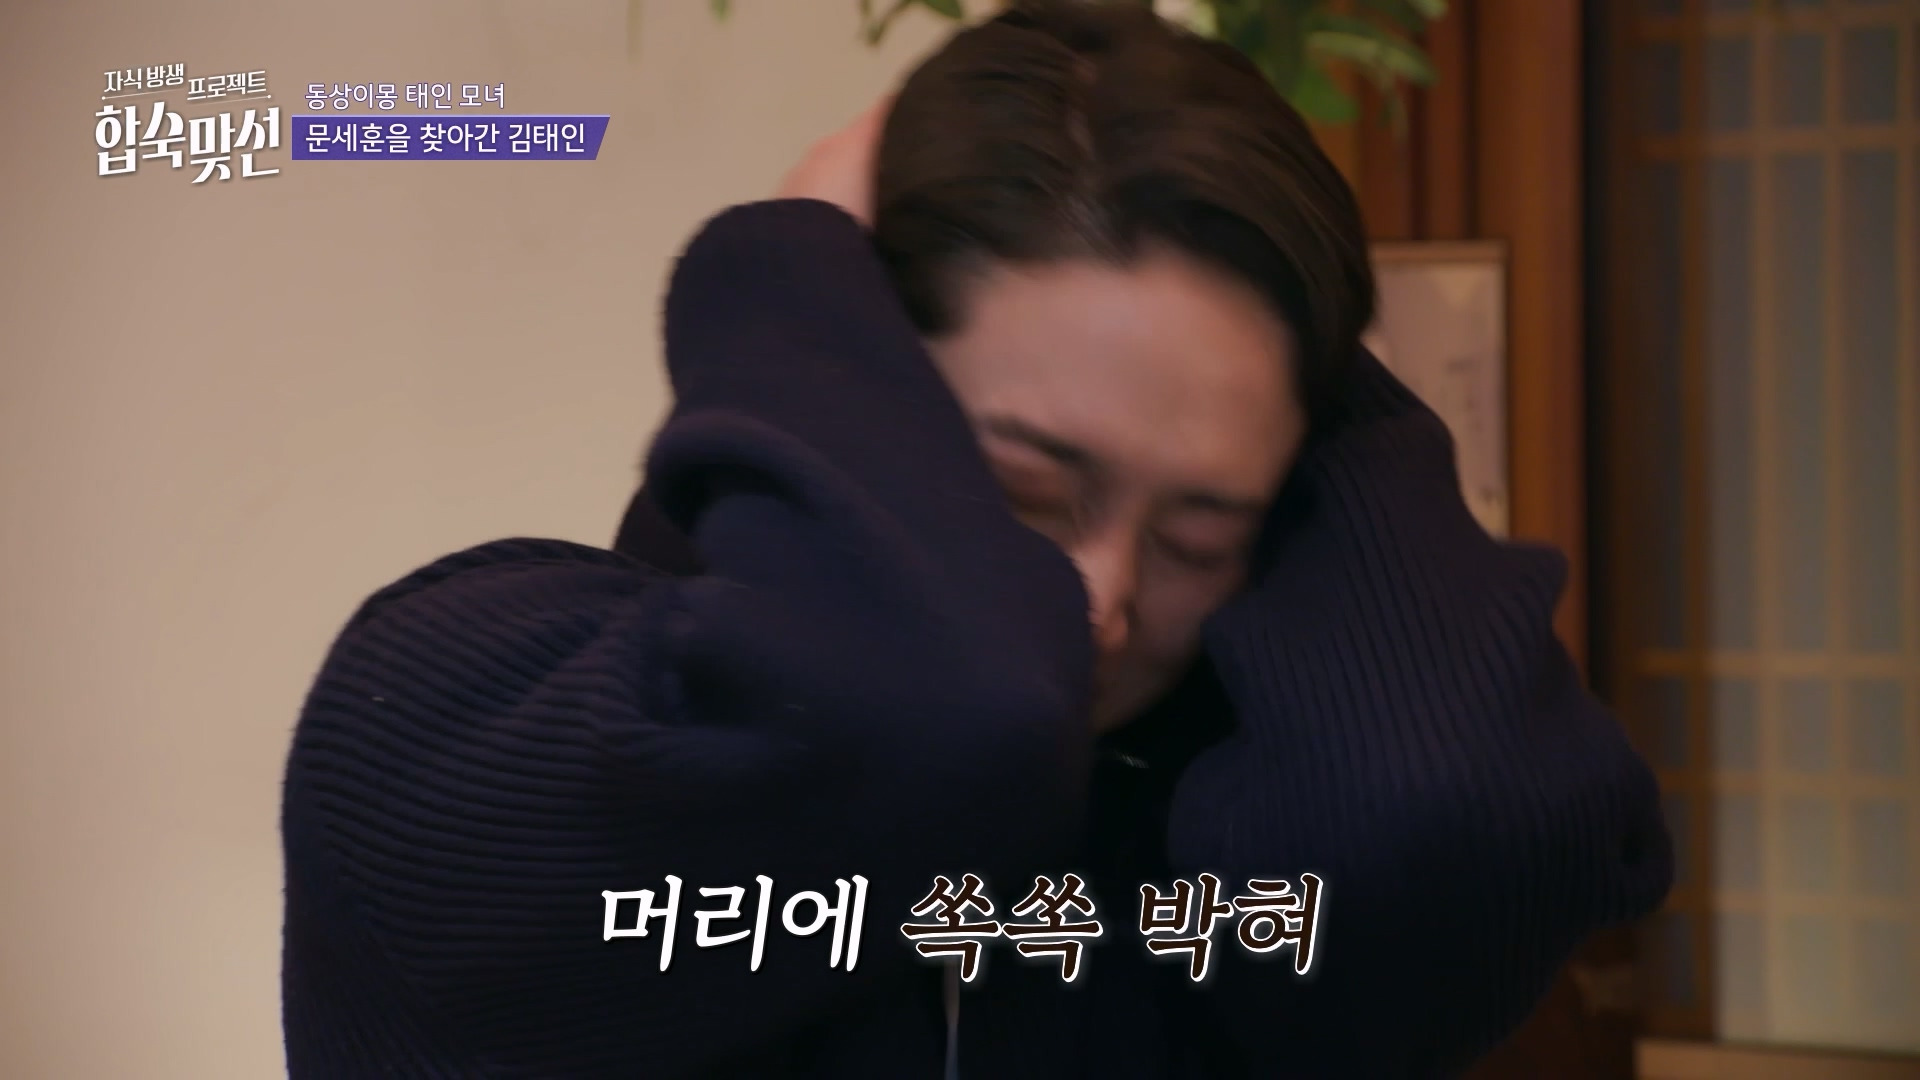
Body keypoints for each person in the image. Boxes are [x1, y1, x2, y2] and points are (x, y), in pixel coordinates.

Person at [281, 3, 1672, 1077]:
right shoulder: (454, 715)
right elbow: (930, 712)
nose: (1103, 600)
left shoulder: (1222, 854)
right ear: (851, 378)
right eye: (1024, 492)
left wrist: (1327, 379)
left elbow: (1445, 821)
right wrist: (789, 255)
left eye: (1201, 536)